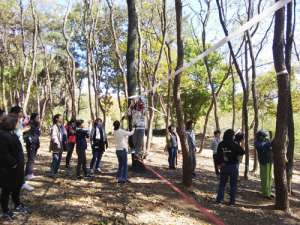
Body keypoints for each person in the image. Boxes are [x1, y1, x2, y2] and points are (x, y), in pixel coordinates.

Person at [0, 114, 30, 221]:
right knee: (6, 190)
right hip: (8, 169)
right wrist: (13, 163)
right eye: (17, 122)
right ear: (11, 123)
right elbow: (4, 153)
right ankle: (6, 212)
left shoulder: (11, 134)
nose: (18, 124)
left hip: (16, 168)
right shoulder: (3, 135)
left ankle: (17, 205)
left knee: (16, 188)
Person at [216, 129, 245, 206]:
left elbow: (218, 155)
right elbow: (242, 152)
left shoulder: (221, 144)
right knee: (233, 184)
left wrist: (218, 163)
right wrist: (241, 144)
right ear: (232, 136)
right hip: (233, 166)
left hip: (224, 165)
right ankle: (232, 202)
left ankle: (219, 200)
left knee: (222, 183)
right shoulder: (234, 144)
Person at [10, 106, 34, 191]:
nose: (22, 112)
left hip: (20, 146)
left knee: (21, 166)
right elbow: (13, 135)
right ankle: (17, 184)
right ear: (16, 112)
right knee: (17, 166)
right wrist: (23, 131)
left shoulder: (19, 122)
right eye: (20, 111)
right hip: (15, 148)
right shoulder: (12, 121)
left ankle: (22, 183)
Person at [113, 119, 135, 184]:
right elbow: (130, 133)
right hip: (122, 150)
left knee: (120, 165)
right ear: (119, 125)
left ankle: (119, 177)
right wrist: (133, 129)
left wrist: (121, 121)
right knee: (125, 165)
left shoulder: (115, 131)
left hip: (118, 150)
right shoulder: (122, 131)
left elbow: (119, 127)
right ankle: (124, 179)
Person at [254, 130, 274, 200]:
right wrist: (268, 143)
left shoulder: (266, 140)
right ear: (259, 136)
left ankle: (269, 192)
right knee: (265, 178)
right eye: (263, 136)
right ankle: (265, 193)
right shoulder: (257, 142)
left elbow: (271, 142)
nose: (264, 138)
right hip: (264, 161)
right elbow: (261, 147)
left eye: (265, 136)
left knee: (269, 178)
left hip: (270, 160)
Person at [49, 114, 68, 180]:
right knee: (55, 159)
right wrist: (57, 143)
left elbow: (65, 134)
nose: (62, 119)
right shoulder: (54, 126)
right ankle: (52, 173)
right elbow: (54, 136)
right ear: (57, 119)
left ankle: (55, 172)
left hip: (62, 145)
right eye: (60, 118)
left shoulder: (62, 126)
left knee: (59, 159)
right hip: (56, 146)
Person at [25, 113, 41, 180]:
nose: (38, 118)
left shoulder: (36, 126)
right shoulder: (29, 125)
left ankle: (30, 172)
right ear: (33, 118)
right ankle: (28, 173)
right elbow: (27, 135)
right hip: (31, 145)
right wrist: (30, 142)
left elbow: (38, 134)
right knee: (30, 159)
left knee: (33, 159)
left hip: (36, 144)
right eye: (37, 117)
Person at [234, 132, 244, 199]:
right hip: (234, 163)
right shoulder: (236, 144)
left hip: (234, 163)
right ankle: (235, 193)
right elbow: (242, 152)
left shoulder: (235, 143)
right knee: (235, 178)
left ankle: (235, 191)